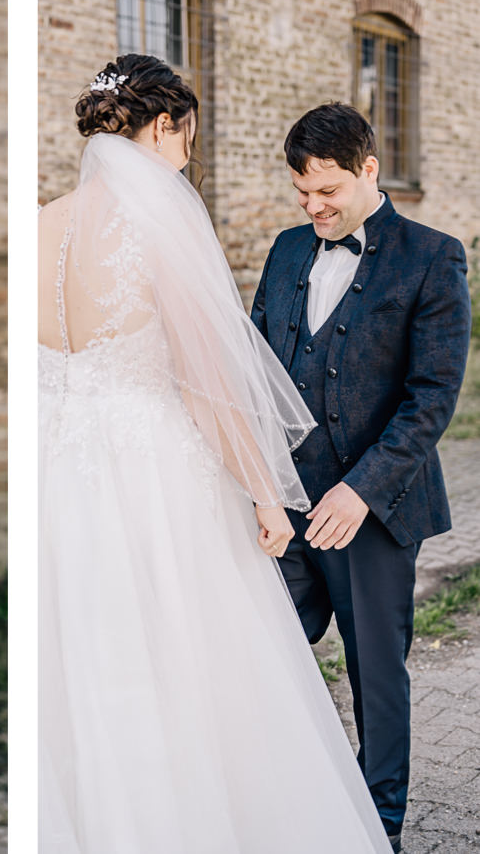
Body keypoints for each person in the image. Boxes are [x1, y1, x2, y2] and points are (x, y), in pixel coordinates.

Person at [38, 54, 389, 852]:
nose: (186, 159)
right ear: (162, 126)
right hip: (153, 478)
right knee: (190, 675)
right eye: (186, 140)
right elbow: (207, 381)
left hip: (59, 477)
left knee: (78, 666)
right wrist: (268, 497)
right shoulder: (154, 221)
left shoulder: (37, 223)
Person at [252, 103, 471, 853]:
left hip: (376, 512)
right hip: (283, 507)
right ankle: (294, 794)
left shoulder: (434, 256)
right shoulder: (284, 251)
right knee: (263, 650)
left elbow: (431, 397)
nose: (314, 208)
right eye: (302, 193)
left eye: (329, 192)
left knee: (377, 675)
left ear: (368, 169)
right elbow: (255, 371)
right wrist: (259, 484)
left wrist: (362, 488)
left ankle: (380, 827)